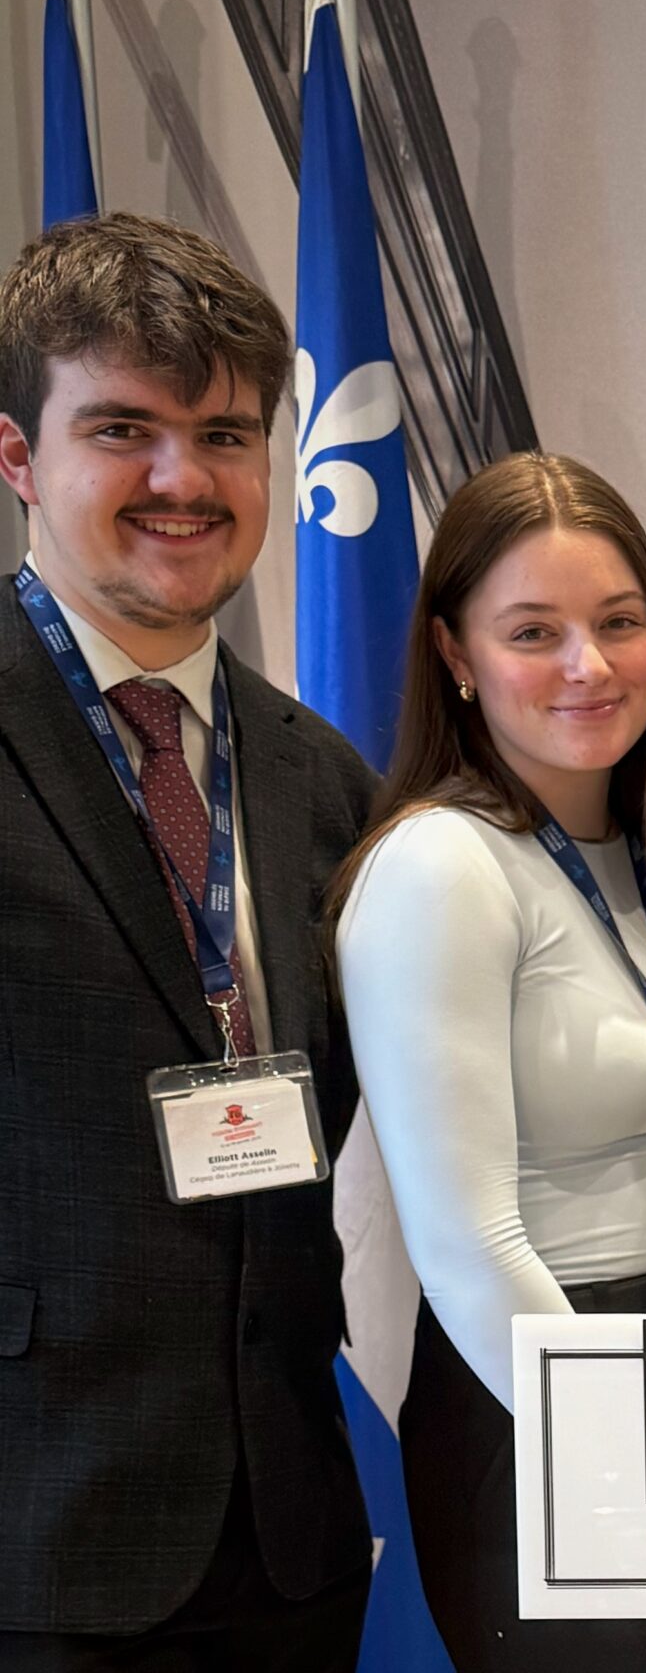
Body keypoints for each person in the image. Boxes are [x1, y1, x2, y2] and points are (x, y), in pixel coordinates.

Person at [0, 213, 373, 1668]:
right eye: (122, 430)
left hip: (287, 1541)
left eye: (224, 435)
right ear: (19, 457)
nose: (182, 479)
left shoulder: (325, 780)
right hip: (32, 1541)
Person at [331, 451, 646, 1673]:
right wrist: (622, 1454)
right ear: (455, 655)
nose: (588, 665)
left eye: (619, 622)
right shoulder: (438, 868)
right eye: (532, 632)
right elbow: (467, 1245)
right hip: (538, 1393)